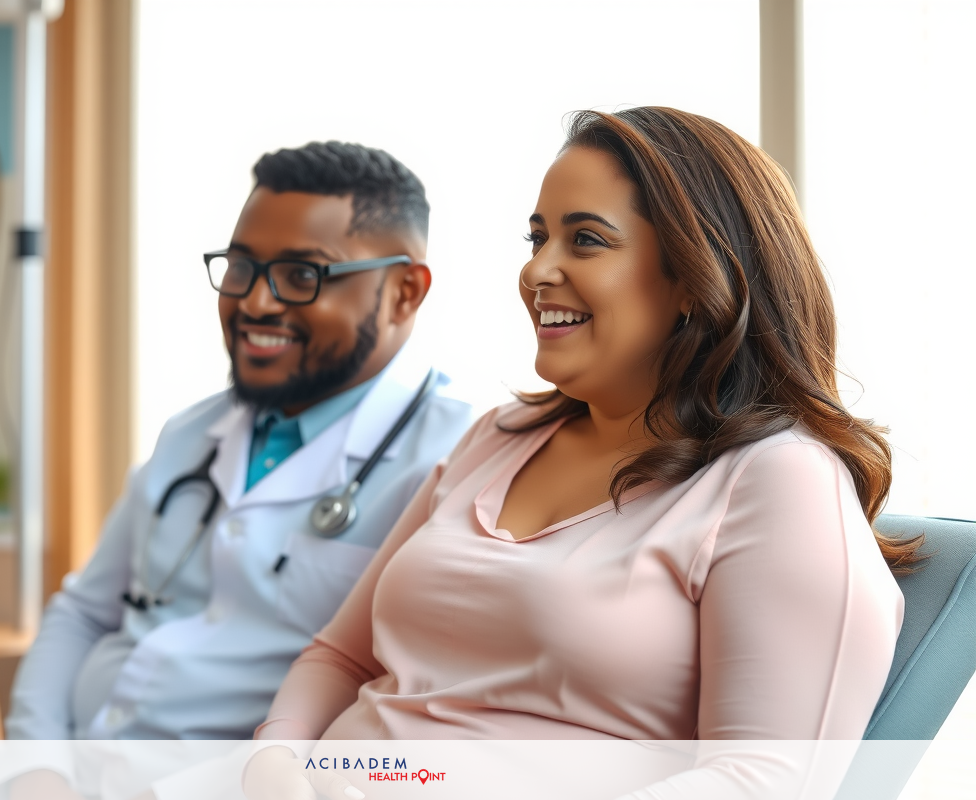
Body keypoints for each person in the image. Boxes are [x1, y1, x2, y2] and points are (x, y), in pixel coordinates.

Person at [247, 108, 915, 798]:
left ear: (695, 278)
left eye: (587, 240)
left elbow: (760, 782)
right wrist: (276, 760)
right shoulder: (499, 437)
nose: (537, 269)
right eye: (537, 237)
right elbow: (340, 657)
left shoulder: (781, 480)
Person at [5, 140, 475, 740]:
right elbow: (82, 614)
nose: (255, 301)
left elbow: (419, 706)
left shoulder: (454, 462)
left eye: (302, 275)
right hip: (70, 762)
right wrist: (36, 763)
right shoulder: (190, 433)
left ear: (405, 291)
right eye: (241, 267)